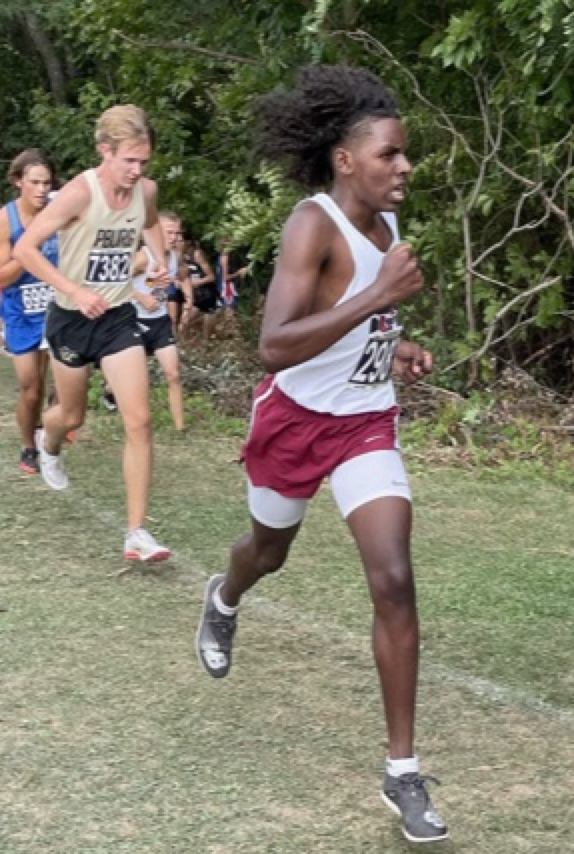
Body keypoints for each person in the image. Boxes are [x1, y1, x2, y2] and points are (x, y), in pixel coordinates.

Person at [195, 66, 448, 844]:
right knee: (266, 551)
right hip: (295, 421)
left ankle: (401, 772)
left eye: (405, 155)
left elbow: (357, 324)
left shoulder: (389, 226)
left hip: (364, 425)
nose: (404, 167)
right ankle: (224, 597)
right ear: (346, 159)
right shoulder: (312, 225)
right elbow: (274, 346)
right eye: (389, 155)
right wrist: (378, 301)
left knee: (394, 578)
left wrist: (395, 343)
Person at [14, 104, 171, 562]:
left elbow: (151, 225)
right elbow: (26, 249)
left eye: (143, 162)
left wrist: (159, 262)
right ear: (105, 151)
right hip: (70, 317)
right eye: (128, 161)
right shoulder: (79, 194)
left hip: (118, 317)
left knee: (139, 420)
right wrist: (75, 290)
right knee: (72, 416)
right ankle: (49, 440)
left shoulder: (145, 190)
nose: (136, 171)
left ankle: (137, 533)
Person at [0, 149, 58, 473]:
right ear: (18, 181)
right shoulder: (5, 219)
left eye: (46, 183)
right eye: (34, 182)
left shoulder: (57, 212)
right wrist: (28, 252)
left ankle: (46, 430)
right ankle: (27, 445)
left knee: (58, 384)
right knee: (29, 386)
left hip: (54, 308)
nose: (41, 190)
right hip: (20, 310)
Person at [131, 210, 187, 430]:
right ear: (155, 232)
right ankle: (111, 391)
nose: (173, 238)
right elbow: (114, 285)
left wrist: (187, 295)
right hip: (135, 320)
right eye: (168, 232)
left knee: (173, 374)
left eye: (176, 233)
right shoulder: (143, 257)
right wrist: (141, 296)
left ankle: (179, 427)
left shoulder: (174, 256)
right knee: (137, 379)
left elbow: (178, 276)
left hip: (160, 320)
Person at [181, 239, 218, 340]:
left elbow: (211, 277)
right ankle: (188, 348)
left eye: (180, 241)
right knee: (184, 323)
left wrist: (195, 282)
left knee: (208, 335)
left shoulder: (197, 254)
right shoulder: (179, 256)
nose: (177, 243)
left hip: (207, 295)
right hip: (194, 296)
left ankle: (207, 348)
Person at [215, 236, 248, 331]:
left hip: (223, 287)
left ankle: (230, 335)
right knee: (229, 314)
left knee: (229, 314)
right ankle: (229, 335)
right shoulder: (225, 256)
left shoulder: (221, 255)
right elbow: (225, 277)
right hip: (227, 288)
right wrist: (239, 272)